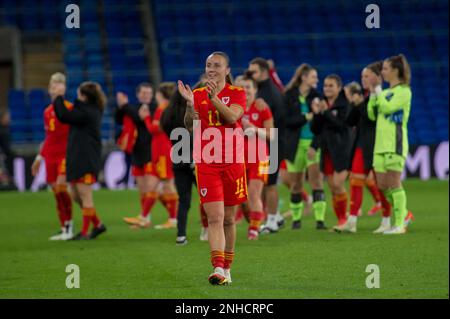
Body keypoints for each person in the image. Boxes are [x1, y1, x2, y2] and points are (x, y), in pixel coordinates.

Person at [179, 51, 247, 285]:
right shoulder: (197, 94)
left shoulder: (238, 93)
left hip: (233, 162)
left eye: (217, 65)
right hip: (206, 163)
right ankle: (217, 267)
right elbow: (190, 126)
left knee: (229, 219)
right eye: (209, 65)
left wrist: (214, 97)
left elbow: (231, 118)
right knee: (215, 218)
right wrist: (190, 106)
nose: (212, 69)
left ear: (227, 70)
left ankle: (227, 267)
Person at [53, 81, 107, 240]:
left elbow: (64, 116)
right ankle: (98, 225)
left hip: (86, 158)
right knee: (76, 195)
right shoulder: (88, 109)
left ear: (83, 96)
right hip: (78, 157)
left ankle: (85, 232)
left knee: (85, 195)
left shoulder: (87, 111)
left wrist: (58, 97)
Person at [367, 54, 413, 235]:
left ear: (395, 70)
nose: (382, 72)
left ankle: (400, 224)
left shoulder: (404, 91)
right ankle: (405, 214)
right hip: (380, 145)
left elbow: (386, 108)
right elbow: (372, 114)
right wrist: (372, 93)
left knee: (394, 184)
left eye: (385, 69)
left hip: (396, 143)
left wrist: (377, 89)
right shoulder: (383, 93)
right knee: (383, 186)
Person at [282, 64, 328, 231]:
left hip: (311, 145)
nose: (316, 80)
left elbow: (322, 124)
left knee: (316, 181)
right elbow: (286, 121)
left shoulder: (317, 96)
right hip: (294, 145)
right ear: (304, 77)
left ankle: (320, 220)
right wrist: (306, 116)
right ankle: (296, 220)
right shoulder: (289, 96)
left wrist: (315, 146)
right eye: (313, 77)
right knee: (296, 184)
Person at [31, 73, 73, 240]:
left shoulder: (70, 108)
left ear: (63, 88)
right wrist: (39, 158)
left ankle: (70, 225)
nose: (54, 88)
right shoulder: (47, 112)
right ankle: (63, 227)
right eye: (52, 85)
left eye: (58, 84)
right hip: (51, 156)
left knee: (62, 189)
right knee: (56, 192)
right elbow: (49, 137)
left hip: (65, 154)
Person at [248, 58, 286, 230]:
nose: (250, 74)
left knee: (270, 184)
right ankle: (274, 216)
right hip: (265, 143)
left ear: (263, 72)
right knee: (263, 184)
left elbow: (271, 123)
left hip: (272, 143)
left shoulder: (267, 94)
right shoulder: (264, 90)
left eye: (253, 71)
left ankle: (272, 220)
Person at [311, 74, 353, 228]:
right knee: (332, 188)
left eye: (331, 86)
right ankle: (341, 219)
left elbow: (342, 125)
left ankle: (343, 219)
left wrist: (326, 112)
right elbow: (315, 129)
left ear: (339, 88)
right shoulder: (322, 103)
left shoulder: (344, 104)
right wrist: (317, 114)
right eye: (325, 86)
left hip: (343, 149)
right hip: (327, 150)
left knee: (337, 184)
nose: (327, 88)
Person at [139, 82, 179, 230]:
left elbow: (154, 129)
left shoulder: (162, 109)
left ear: (160, 95)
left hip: (163, 151)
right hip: (160, 151)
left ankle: (174, 218)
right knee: (153, 185)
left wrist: (145, 118)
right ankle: (143, 217)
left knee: (168, 185)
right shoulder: (167, 108)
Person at [238, 75, 273, 240]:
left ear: (255, 90)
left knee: (254, 193)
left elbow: (271, 135)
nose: (245, 90)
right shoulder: (233, 108)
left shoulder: (262, 108)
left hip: (260, 156)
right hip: (238, 157)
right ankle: (257, 222)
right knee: (242, 199)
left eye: (248, 87)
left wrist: (255, 129)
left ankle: (253, 230)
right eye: (242, 87)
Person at [119, 84, 158, 229]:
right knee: (142, 190)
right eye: (144, 92)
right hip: (137, 153)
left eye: (149, 92)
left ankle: (173, 216)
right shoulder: (135, 108)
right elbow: (121, 118)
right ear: (138, 94)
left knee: (151, 188)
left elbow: (138, 117)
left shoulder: (154, 108)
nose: (147, 95)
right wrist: (122, 106)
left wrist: (124, 105)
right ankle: (145, 219)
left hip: (151, 152)